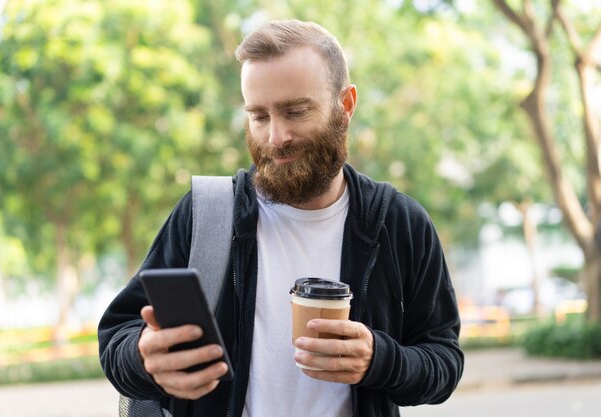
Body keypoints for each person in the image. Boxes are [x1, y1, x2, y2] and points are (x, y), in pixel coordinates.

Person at [98, 19, 464, 417]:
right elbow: (118, 334)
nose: (276, 137)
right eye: (259, 116)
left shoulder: (400, 222)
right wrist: (143, 357)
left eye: (295, 111)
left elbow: (443, 360)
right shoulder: (206, 211)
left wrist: (379, 360)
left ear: (345, 106)